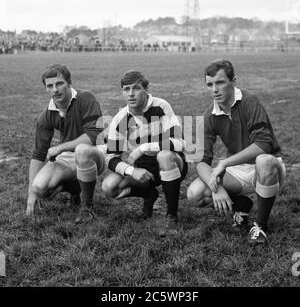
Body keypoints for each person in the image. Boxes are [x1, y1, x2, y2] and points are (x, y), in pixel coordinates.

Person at [187, 59, 286, 244]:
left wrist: (224, 163)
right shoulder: (208, 116)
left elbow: (264, 144)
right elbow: (200, 161)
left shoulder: (250, 101)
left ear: (234, 81)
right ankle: (241, 205)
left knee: (264, 161)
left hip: (268, 167)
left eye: (220, 82)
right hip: (239, 171)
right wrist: (215, 188)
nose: (214, 89)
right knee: (195, 194)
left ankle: (261, 227)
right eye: (210, 84)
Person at [77, 70, 187, 235]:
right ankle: (149, 193)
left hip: (171, 163)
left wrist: (143, 148)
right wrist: (131, 170)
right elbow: (111, 158)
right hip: (142, 170)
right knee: (109, 187)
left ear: (146, 89)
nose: (131, 94)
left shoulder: (161, 106)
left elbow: (180, 143)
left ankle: (171, 216)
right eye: (126, 89)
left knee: (164, 155)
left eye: (136, 88)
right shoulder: (120, 118)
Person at [26, 64, 105, 223]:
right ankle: (76, 188)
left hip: (95, 151)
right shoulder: (47, 115)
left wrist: (60, 147)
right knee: (40, 188)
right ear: (46, 89)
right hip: (69, 156)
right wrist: (31, 194)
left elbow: (94, 135)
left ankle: (86, 207)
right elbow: (39, 153)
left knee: (82, 150)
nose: (55, 89)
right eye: (50, 86)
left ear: (69, 83)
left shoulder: (85, 98)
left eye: (59, 83)